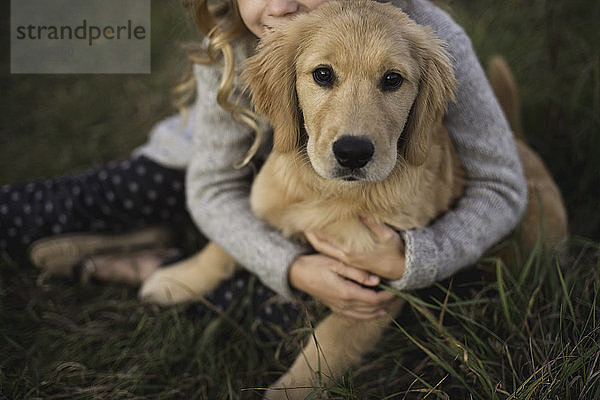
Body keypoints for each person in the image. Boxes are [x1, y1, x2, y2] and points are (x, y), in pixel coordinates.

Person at [1, 0, 527, 322]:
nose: (277, 6)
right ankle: (142, 231)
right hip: (191, 169)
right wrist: (289, 265)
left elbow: (502, 185)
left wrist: (416, 259)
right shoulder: (234, 38)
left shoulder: (425, 37)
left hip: (317, 195)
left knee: (313, 312)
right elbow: (209, 189)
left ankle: (143, 259)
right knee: (43, 209)